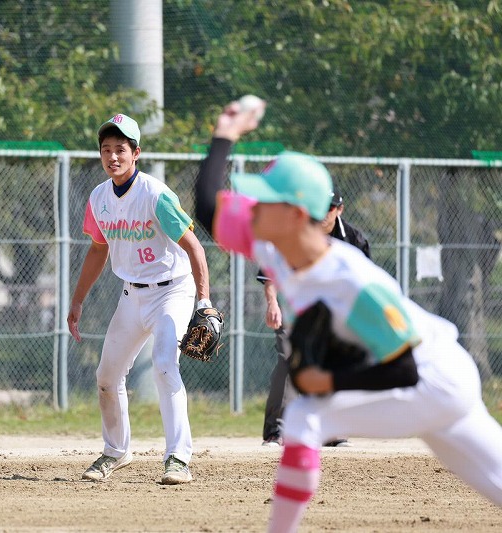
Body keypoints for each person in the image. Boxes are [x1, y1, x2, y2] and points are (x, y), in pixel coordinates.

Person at [194, 100, 502, 531]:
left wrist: (329, 382)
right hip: (436, 381)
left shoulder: (352, 281)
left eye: (264, 201)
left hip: (430, 378)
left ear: (296, 215)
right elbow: (208, 210)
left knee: (304, 416)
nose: (252, 207)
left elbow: (404, 369)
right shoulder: (274, 245)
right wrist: (225, 134)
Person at [67, 113, 212, 485]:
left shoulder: (155, 194)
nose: (113, 156)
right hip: (132, 294)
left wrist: (203, 301)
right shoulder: (98, 197)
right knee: (106, 376)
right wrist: (77, 300)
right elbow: (98, 249)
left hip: (172, 291)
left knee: (164, 365)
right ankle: (116, 451)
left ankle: (178, 458)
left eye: (121, 149)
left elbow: (195, 248)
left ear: (136, 153)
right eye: (106, 149)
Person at [260, 183, 371, 448]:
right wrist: (272, 303)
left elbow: (364, 282)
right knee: (288, 359)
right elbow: (271, 273)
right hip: (295, 305)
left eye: (329, 208)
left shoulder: (354, 239)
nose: (322, 213)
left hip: (334, 309)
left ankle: (332, 431)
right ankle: (276, 431)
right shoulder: (294, 231)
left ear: (340, 209)